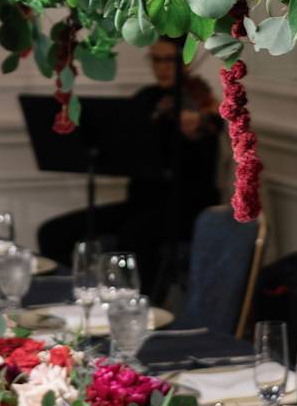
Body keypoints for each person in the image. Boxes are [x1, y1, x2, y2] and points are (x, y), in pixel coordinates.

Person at [37, 39, 223, 297]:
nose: (161, 68)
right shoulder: (146, 98)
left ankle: (135, 304)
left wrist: (196, 130)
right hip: (142, 202)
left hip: (185, 206)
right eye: (155, 59)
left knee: (135, 233)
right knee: (54, 232)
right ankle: (71, 296)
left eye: (169, 60)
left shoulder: (200, 101)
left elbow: (209, 140)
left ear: (186, 61)